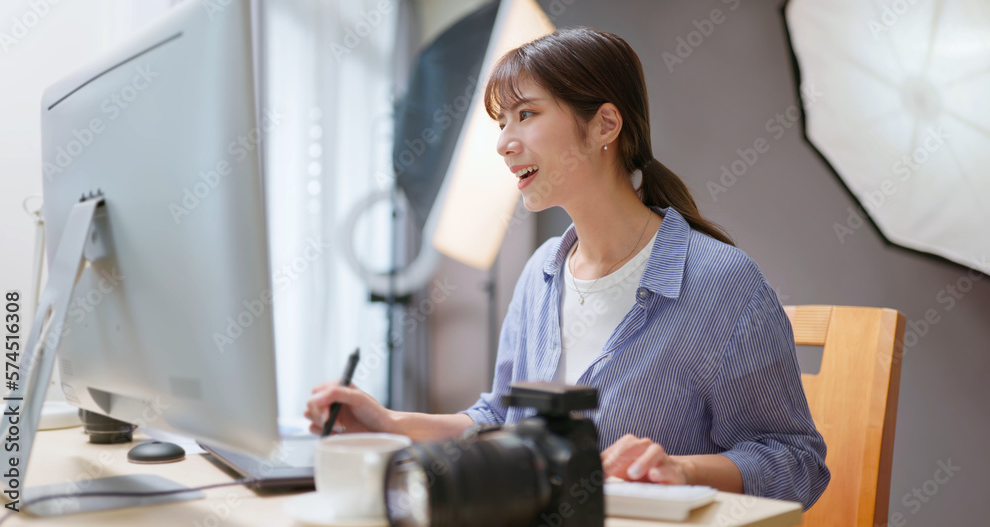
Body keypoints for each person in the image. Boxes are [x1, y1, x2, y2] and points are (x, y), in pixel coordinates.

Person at [306, 27, 829, 509]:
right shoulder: (542, 273)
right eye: (502, 121)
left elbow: (797, 461)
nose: (504, 142)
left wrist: (679, 468)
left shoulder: (722, 283)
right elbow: (500, 420)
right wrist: (390, 422)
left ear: (604, 123)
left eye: (526, 115)